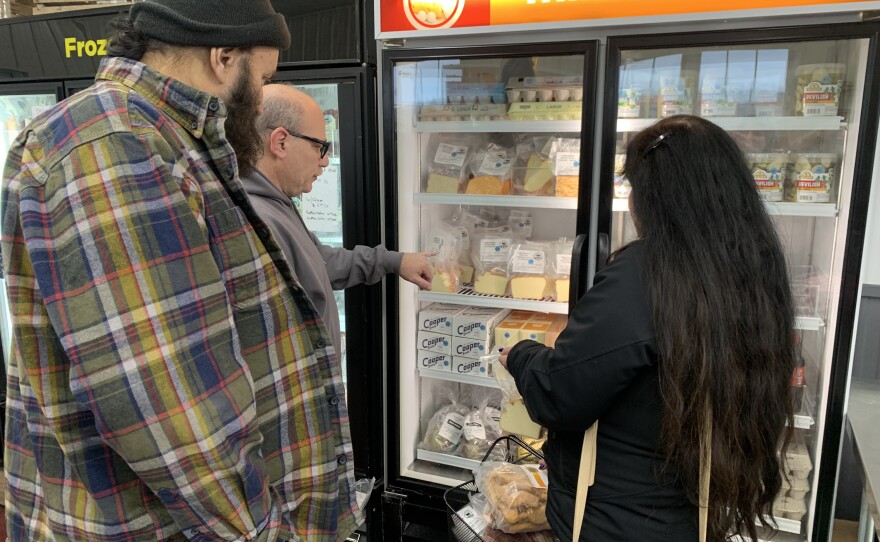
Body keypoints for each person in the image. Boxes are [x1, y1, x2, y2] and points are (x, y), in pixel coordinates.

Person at [1, 2, 360, 540]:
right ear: (222, 57)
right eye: (262, 79)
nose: (261, 99)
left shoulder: (164, 140)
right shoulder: (114, 144)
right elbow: (167, 412)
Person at [500, 115, 795, 541]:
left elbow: (559, 395)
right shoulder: (753, 271)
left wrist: (523, 355)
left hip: (613, 522)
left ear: (658, 197)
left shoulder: (646, 274)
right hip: (693, 514)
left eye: (636, 189)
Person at [241, 84, 433, 353]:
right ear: (280, 142)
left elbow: (320, 263)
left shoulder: (276, 204)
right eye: (320, 147)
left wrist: (393, 261)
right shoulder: (257, 221)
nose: (325, 161)